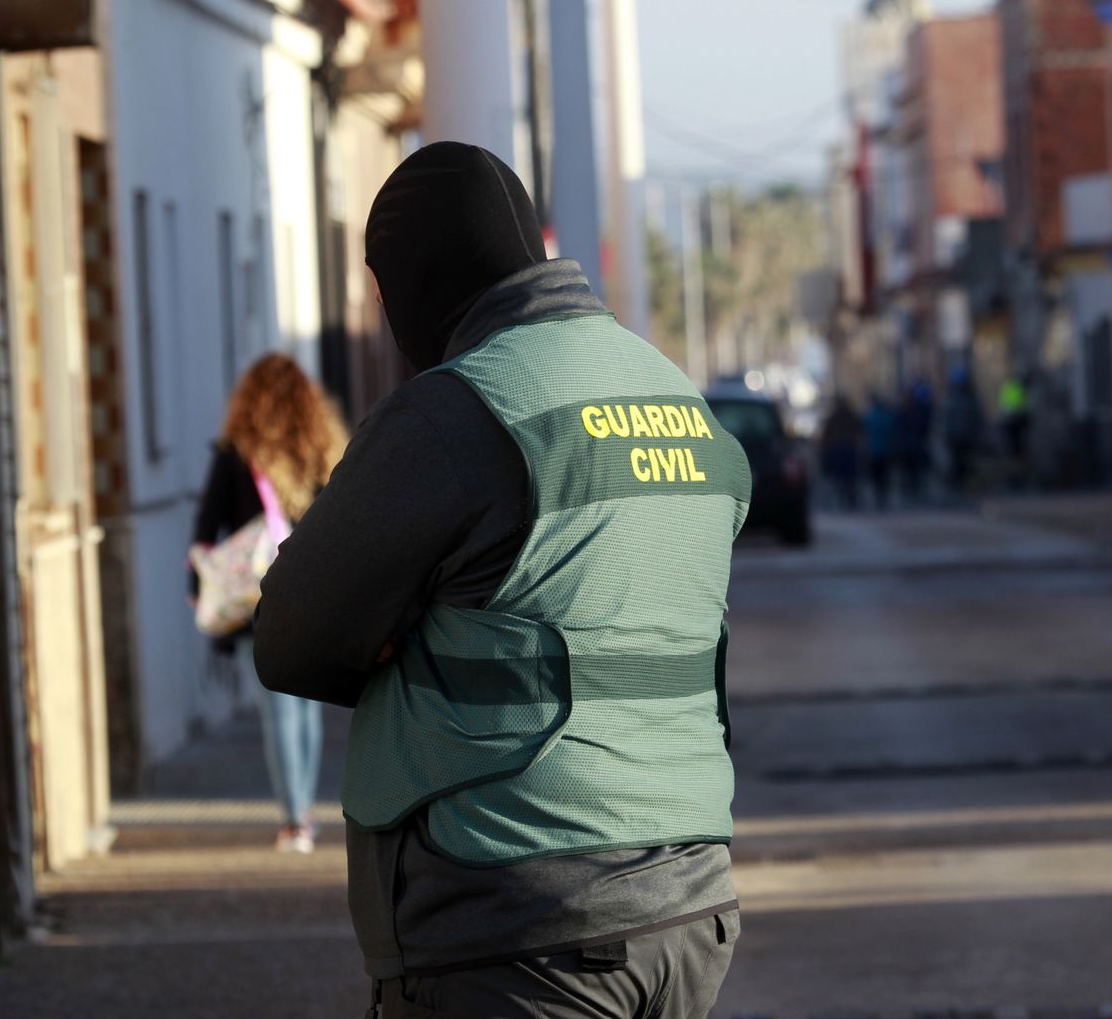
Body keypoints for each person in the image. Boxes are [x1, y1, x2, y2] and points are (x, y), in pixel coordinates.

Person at [253, 142, 750, 1019]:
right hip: (690, 904)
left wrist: (398, 628)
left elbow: (293, 636)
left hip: (515, 921)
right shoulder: (678, 399)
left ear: (415, 281)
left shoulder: (456, 411)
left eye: (380, 291)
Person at [190, 352, 347, 854]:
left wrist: (201, 586)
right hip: (312, 594)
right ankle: (303, 813)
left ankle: (294, 818)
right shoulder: (321, 451)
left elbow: (204, 529)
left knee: (277, 710)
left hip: (255, 600)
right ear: (306, 402)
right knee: (303, 709)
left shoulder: (234, 452)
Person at [944, 367, 985, 496]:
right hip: (956, 437)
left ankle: (965, 487)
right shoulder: (954, 399)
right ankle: (958, 487)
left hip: (965, 437)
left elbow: (976, 419)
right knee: (957, 464)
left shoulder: (968, 400)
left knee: (966, 463)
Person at [819, 397, 862, 510]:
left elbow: (826, 435)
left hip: (841, 448)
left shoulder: (836, 418)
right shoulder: (849, 417)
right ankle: (849, 498)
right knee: (848, 477)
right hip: (846, 448)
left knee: (843, 476)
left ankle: (846, 497)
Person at [897, 380, 933, 503]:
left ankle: (914, 487)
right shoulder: (910, 411)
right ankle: (913, 487)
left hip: (913, 444)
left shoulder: (914, 411)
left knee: (914, 468)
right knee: (911, 469)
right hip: (911, 444)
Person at [862, 395, 897, 510]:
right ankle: (883, 496)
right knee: (884, 476)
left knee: (876, 476)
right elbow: (893, 432)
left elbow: (863, 432)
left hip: (873, 451)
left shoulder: (870, 417)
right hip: (885, 451)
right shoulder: (887, 417)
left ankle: (878, 496)